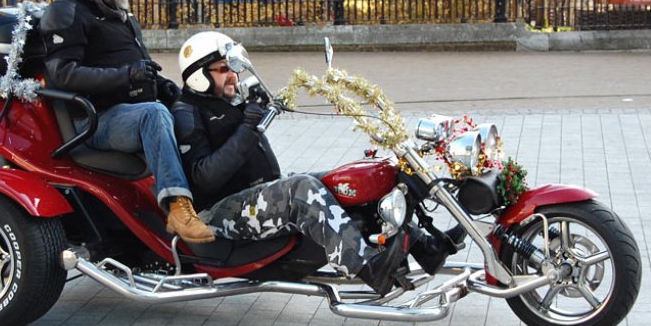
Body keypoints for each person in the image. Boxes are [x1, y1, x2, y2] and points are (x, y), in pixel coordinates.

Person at [170, 31, 464, 295]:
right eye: (223, 70)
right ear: (199, 75)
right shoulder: (188, 112)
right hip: (217, 214)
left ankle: (424, 247)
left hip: (258, 195)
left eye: (233, 67)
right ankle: (366, 267)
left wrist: (251, 110)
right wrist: (248, 127)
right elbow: (202, 177)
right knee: (302, 190)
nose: (232, 75)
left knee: (349, 181)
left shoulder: (229, 102)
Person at [39, 0, 214, 244]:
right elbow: (62, 74)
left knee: (197, 110)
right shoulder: (67, 11)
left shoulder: (117, 10)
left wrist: (163, 85)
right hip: (95, 120)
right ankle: (177, 209)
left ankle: (214, 199)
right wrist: (126, 75)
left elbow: (136, 62)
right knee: (154, 115)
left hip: (129, 109)